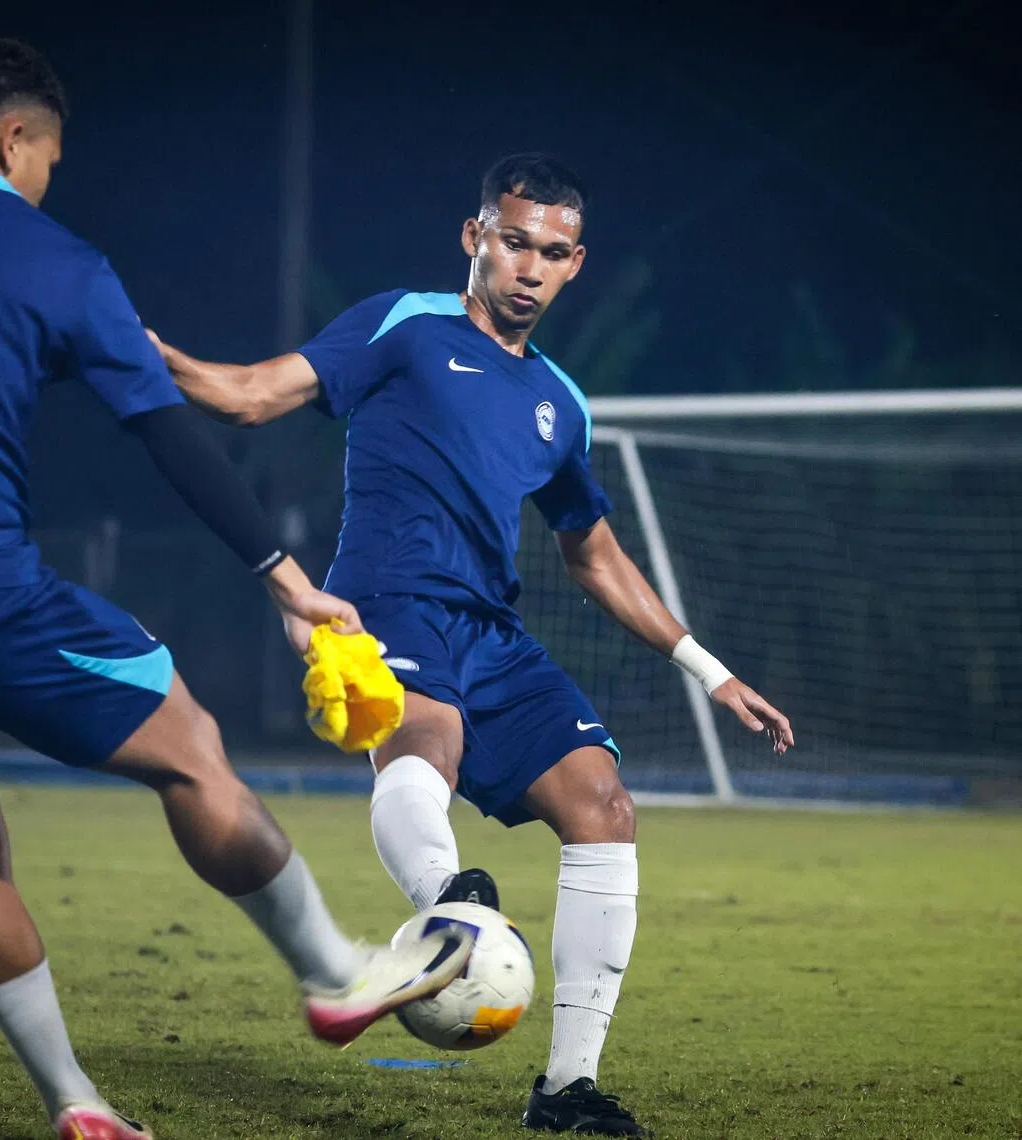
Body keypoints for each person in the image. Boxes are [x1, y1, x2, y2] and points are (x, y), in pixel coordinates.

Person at [0, 36, 472, 1140]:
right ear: (16, 141)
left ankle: (77, 1104)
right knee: (192, 751)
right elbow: (172, 440)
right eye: (48, 157)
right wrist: (290, 583)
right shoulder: (60, 264)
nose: (47, 177)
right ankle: (333, 971)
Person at [155, 152, 795, 1136]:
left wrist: (708, 669)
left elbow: (594, 556)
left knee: (604, 804)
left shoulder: (561, 405)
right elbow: (248, 395)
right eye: (514, 243)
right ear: (476, 238)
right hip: (384, 605)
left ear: (577, 263)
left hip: (493, 631)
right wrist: (145, 354)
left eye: (552, 252)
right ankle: (452, 911)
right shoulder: (402, 325)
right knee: (427, 747)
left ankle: (566, 1090)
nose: (529, 267)